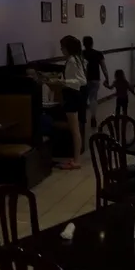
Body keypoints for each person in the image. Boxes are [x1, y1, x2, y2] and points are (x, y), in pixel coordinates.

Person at [52, 35, 87, 170]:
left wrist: (63, 82)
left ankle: (76, 160)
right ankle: (76, 158)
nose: (61, 50)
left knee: (74, 130)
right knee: (75, 129)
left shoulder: (72, 60)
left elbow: (81, 81)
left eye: (62, 47)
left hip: (72, 95)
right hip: (74, 95)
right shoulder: (76, 59)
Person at [82, 36, 110, 128]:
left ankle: (82, 119)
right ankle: (93, 117)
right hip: (95, 79)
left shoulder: (81, 54)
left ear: (83, 44)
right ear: (92, 43)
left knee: (83, 99)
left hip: (83, 79)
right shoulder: (98, 54)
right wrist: (107, 78)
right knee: (93, 98)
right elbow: (104, 67)